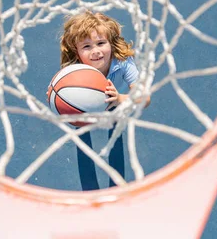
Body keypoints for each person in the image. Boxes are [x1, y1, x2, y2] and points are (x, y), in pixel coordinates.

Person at [59, 11, 150, 190]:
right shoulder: (75, 69)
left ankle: (116, 185)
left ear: (111, 43)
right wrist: (56, 95)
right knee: (81, 134)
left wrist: (120, 99)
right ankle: (89, 188)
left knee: (115, 131)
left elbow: (144, 98)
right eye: (87, 46)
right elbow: (59, 88)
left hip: (114, 98)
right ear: (76, 52)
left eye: (101, 43)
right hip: (85, 103)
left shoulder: (123, 62)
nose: (96, 51)